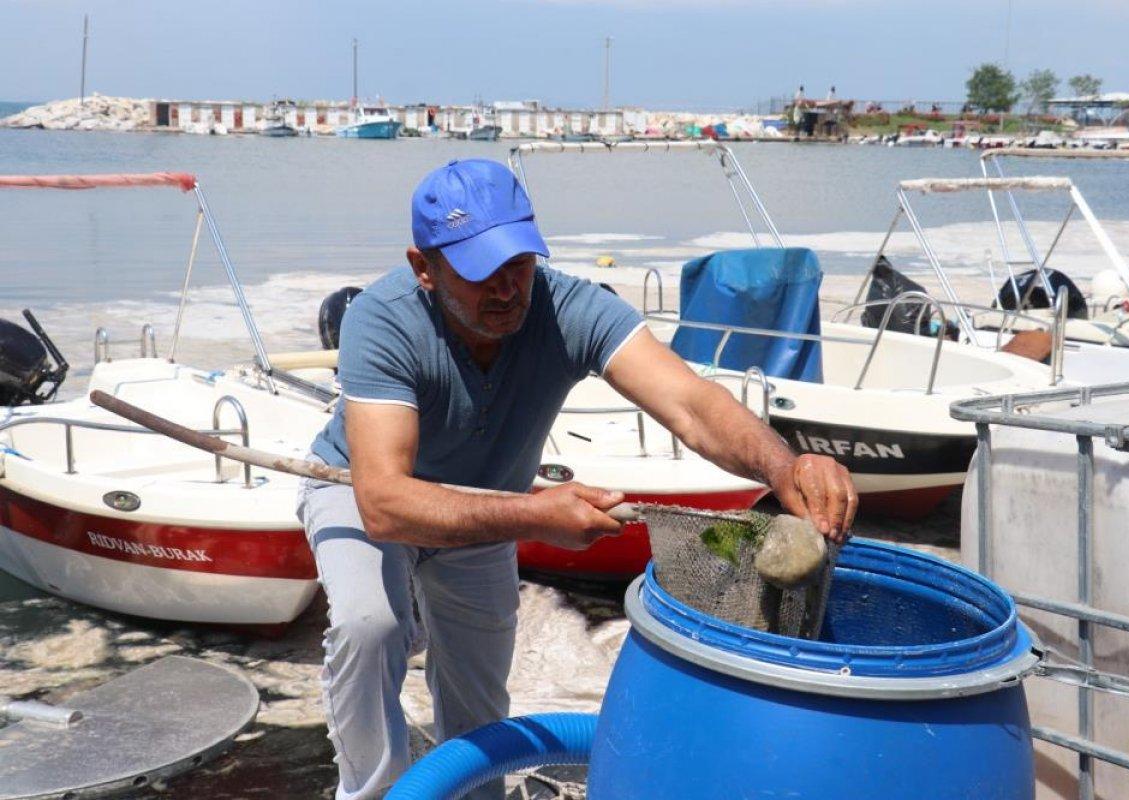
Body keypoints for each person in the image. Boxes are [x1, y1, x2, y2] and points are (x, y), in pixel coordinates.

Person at [296, 158, 857, 800]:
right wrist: (537, 517)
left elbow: (691, 404)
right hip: (360, 487)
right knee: (372, 626)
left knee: (479, 702)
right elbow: (385, 504)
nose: (508, 289)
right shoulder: (384, 318)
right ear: (424, 268)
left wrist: (784, 465)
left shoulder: (569, 309)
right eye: (482, 273)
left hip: (482, 510)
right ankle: (373, 792)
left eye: (520, 264)